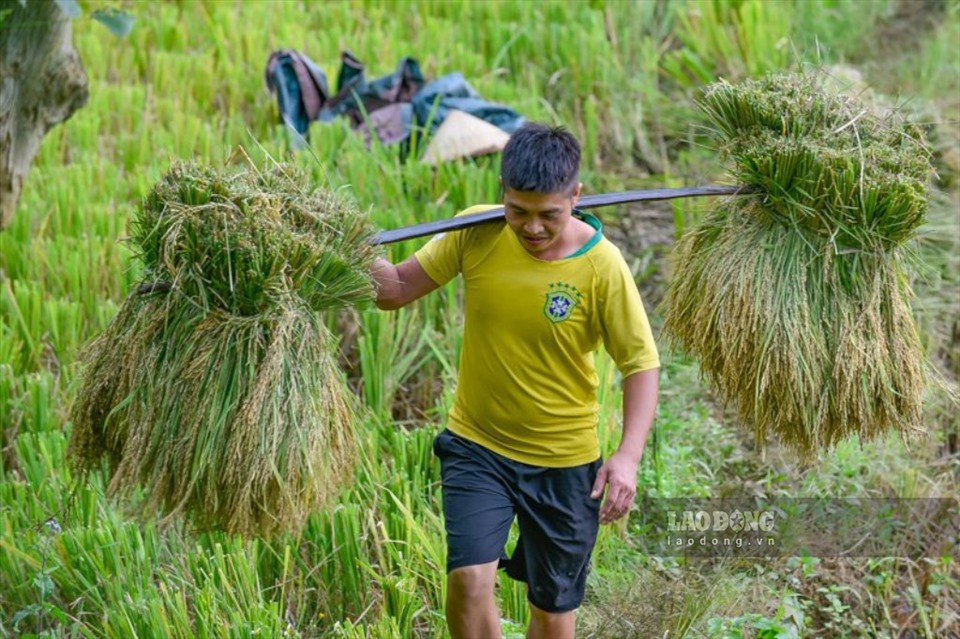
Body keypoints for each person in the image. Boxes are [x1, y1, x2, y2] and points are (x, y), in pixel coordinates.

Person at [371, 122, 660, 639]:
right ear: (501, 193)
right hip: (478, 446)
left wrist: (628, 456)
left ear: (575, 195)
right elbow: (394, 290)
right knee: (469, 580)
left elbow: (641, 364)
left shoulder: (602, 266)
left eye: (548, 215)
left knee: (552, 612)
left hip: (564, 463)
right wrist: (341, 246)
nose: (531, 228)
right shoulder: (475, 232)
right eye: (517, 211)